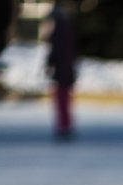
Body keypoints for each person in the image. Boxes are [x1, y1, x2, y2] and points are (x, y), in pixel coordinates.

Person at [46, 1, 78, 140]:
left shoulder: (60, 28)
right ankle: (64, 125)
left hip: (63, 69)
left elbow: (58, 50)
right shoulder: (65, 26)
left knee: (62, 99)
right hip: (65, 68)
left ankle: (64, 126)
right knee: (63, 99)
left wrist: (51, 63)